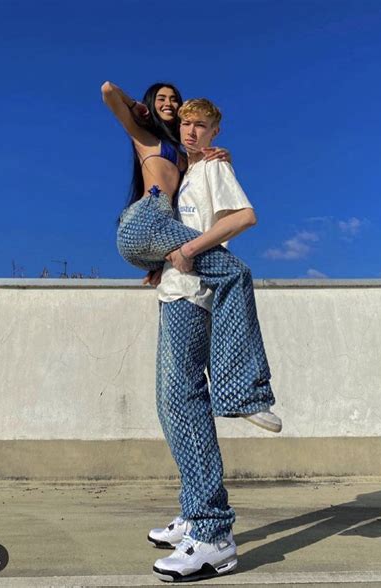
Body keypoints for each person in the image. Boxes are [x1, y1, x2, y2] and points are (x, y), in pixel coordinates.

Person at [102, 81, 277, 420]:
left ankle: (238, 394)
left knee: (178, 392)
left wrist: (221, 154)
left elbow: (198, 190)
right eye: (162, 99)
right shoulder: (145, 137)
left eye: (174, 100)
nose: (168, 103)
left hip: (161, 234)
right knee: (235, 272)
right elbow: (108, 91)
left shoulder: (186, 156)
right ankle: (243, 393)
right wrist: (139, 105)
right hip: (147, 219)